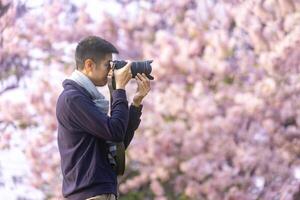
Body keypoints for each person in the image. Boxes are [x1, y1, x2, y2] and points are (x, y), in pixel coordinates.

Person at [55, 36, 151, 200]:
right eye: (108, 64)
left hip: (98, 192)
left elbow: (118, 142)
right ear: (89, 65)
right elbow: (115, 132)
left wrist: (136, 104)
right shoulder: (73, 99)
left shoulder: (86, 98)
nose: (111, 70)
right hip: (90, 194)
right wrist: (119, 89)